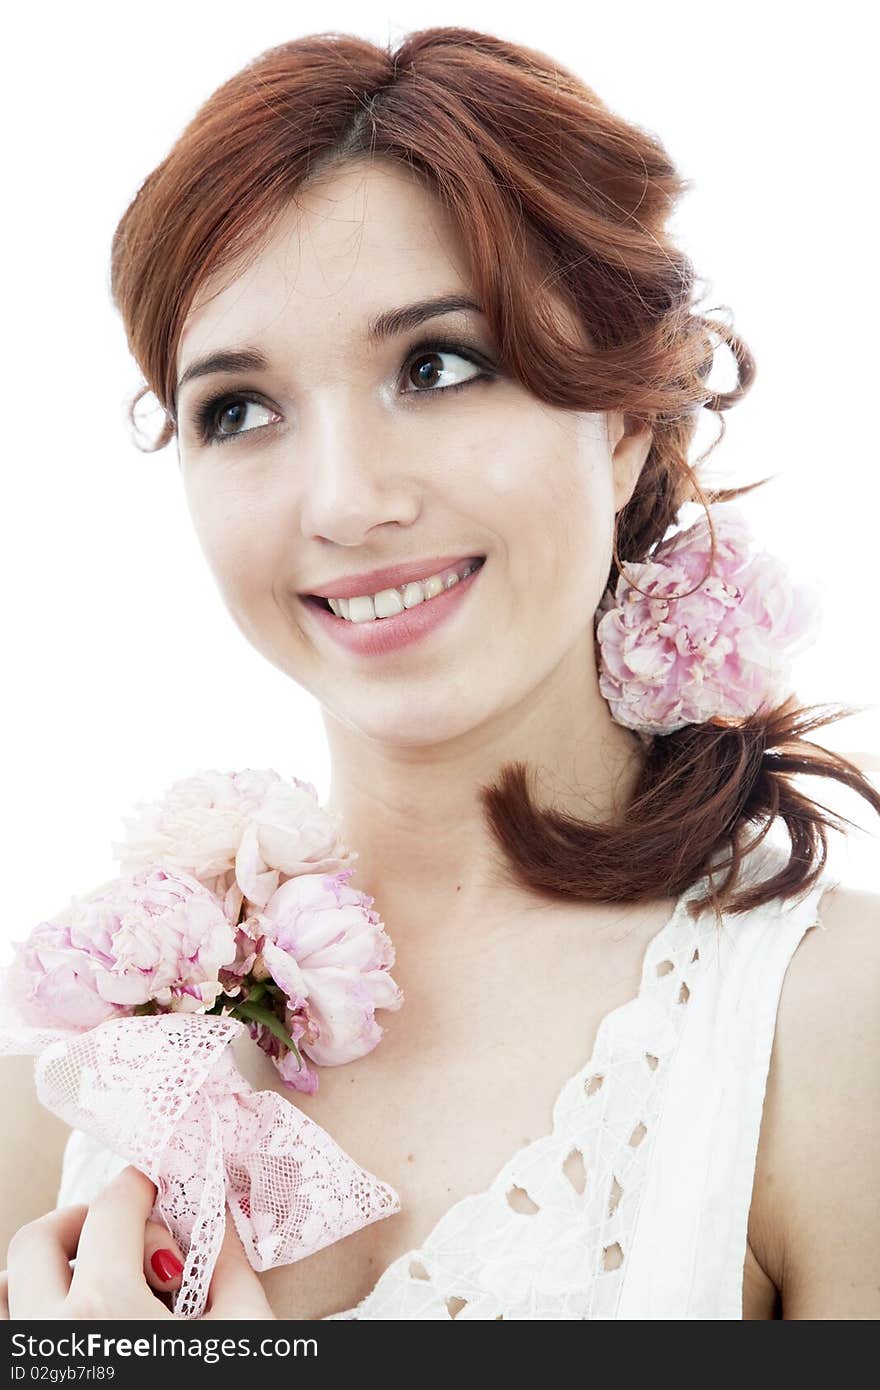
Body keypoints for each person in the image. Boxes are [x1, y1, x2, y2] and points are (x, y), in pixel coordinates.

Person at [2, 25, 879, 1321]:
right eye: (238, 407)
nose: (347, 502)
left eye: (438, 364)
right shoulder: (80, 1060)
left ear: (628, 420)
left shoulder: (823, 1029)